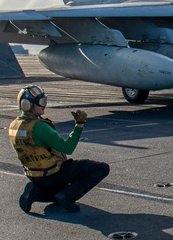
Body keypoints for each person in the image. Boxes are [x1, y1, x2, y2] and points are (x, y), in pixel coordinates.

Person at [8, 85, 109, 213]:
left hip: (34, 175)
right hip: (54, 172)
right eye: (41, 102)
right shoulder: (39, 127)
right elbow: (67, 148)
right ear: (28, 105)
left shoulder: (13, 126)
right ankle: (67, 196)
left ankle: (35, 192)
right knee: (102, 168)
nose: (44, 105)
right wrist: (79, 125)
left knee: (58, 191)